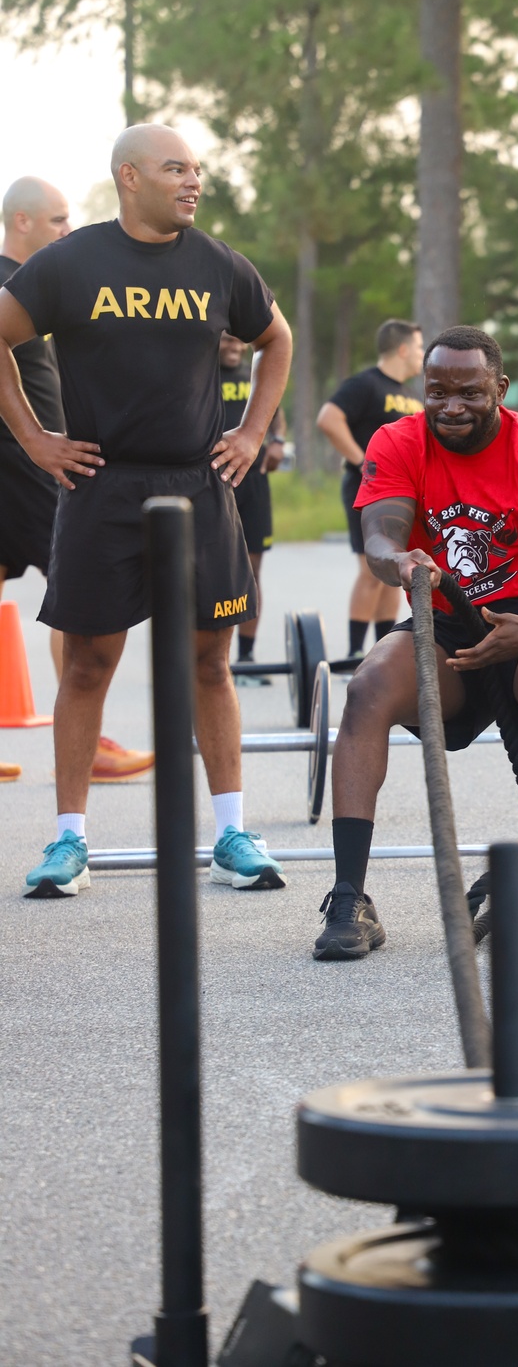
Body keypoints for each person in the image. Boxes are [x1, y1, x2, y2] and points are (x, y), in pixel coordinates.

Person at [0, 125, 293, 899]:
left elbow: (277, 337)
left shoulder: (217, 263)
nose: (193, 183)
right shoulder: (71, 262)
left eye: (197, 170)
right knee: (90, 665)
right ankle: (69, 842)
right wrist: (34, 439)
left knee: (209, 663)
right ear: (129, 177)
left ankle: (232, 833)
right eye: (175, 170)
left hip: (199, 488)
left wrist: (254, 431)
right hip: (103, 488)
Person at [312, 324, 518, 964]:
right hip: (443, 620)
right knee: (367, 688)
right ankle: (350, 896)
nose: (450, 406)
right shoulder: (398, 440)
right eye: (436, 391)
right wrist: (400, 562)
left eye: (468, 392)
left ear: (501, 389)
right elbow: (379, 535)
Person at [0, 175, 154, 781]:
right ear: (23, 223)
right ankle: (87, 746)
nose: (69, 230)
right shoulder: (14, 288)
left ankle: (86, 740)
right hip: (28, 464)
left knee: (73, 601)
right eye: (59, 220)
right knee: (80, 601)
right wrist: (38, 442)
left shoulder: (38, 286)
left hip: (27, 461)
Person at [317, 319, 423, 658]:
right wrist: (363, 462)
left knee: (394, 568)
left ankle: (381, 651)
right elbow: (328, 419)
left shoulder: (410, 394)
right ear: (403, 349)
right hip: (368, 491)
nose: (423, 355)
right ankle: (352, 653)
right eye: (420, 347)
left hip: (403, 494)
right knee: (370, 567)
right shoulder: (365, 384)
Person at [219, 330, 286, 682]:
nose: (233, 348)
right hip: (213, 482)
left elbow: (276, 412)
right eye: (226, 341)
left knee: (252, 570)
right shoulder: (201, 374)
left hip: (254, 483)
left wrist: (277, 441)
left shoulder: (256, 375)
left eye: (237, 342)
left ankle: (246, 657)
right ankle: (208, 658)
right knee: (209, 571)